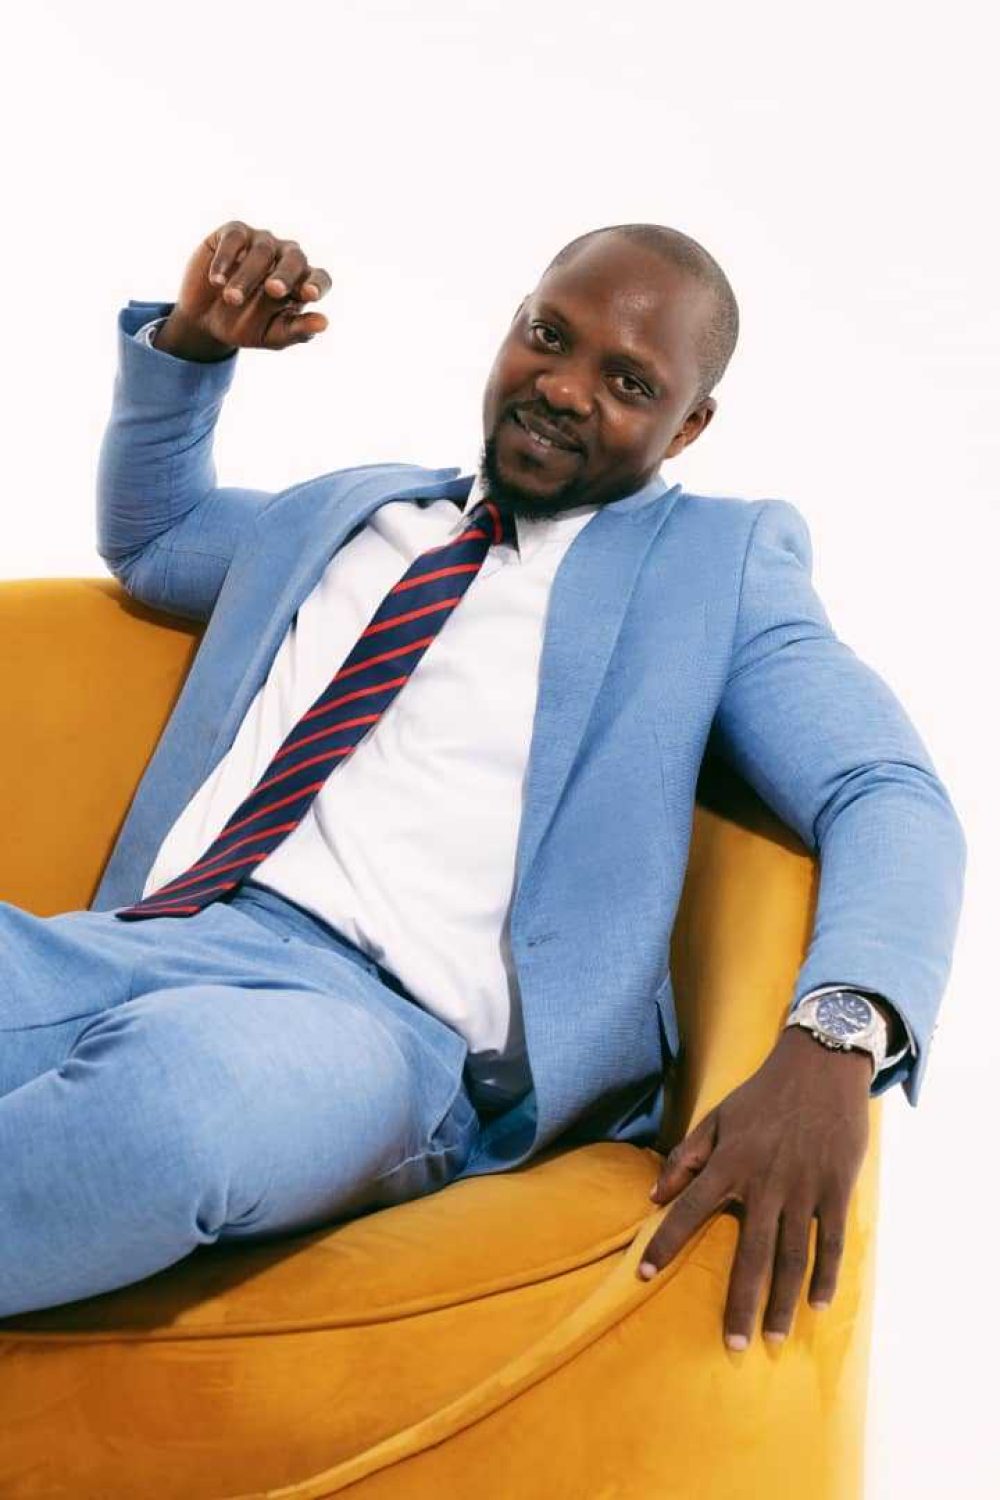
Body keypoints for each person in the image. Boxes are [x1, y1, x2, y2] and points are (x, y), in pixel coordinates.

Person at [0, 221, 965, 1348]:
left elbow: (882, 787)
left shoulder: (717, 570)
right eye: (548, 336)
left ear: (689, 425)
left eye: (628, 383)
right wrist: (193, 347)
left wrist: (836, 1039)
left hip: (379, 1033)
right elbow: (156, 536)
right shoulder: (361, 515)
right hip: (156, 937)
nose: (563, 389)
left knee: (168, 1111)